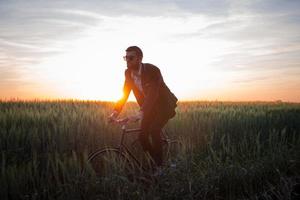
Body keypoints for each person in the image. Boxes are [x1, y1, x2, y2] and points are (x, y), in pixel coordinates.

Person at [108, 46, 178, 169]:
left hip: (164, 105)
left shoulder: (153, 70)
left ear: (139, 58)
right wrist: (115, 112)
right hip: (149, 108)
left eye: (131, 58)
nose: (127, 61)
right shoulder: (128, 73)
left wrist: (140, 113)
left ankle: (160, 168)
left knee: (154, 130)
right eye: (126, 58)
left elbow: (153, 94)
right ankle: (154, 162)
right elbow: (124, 94)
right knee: (142, 136)